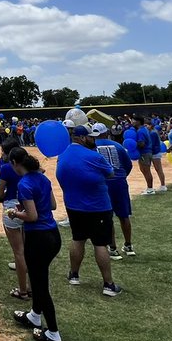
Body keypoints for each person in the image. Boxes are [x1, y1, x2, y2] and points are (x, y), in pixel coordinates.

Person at [5, 147, 62, 341]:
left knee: (39, 285)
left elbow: (32, 216)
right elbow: (52, 205)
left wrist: (14, 213)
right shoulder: (43, 179)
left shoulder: (25, 184)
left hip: (38, 238)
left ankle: (53, 332)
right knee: (39, 277)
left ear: (14, 163)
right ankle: (34, 316)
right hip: (53, 235)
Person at [55, 126, 122, 297]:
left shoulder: (63, 154)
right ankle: (108, 284)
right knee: (100, 244)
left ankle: (74, 274)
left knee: (78, 239)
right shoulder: (94, 156)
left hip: (73, 206)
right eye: (92, 137)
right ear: (83, 138)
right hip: (98, 206)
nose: (94, 140)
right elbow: (111, 173)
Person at [90, 124, 135, 259]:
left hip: (103, 184)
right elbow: (128, 164)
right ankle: (128, 245)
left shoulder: (92, 147)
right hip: (120, 182)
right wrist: (121, 176)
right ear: (107, 132)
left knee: (107, 216)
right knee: (124, 215)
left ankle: (113, 247)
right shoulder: (118, 146)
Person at [0, 137, 29, 298]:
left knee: (19, 252)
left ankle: (23, 290)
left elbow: (0, 192)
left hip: (12, 208)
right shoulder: (29, 166)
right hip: (28, 206)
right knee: (25, 247)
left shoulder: (7, 168)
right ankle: (30, 285)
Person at [134, 116, 166, 194]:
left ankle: (150, 188)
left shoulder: (141, 131)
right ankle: (151, 188)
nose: (132, 122)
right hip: (149, 152)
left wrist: (135, 145)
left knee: (146, 170)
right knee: (146, 170)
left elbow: (142, 143)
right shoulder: (145, 130)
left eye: (133, 120)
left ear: (138, 121)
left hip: (145, 152)